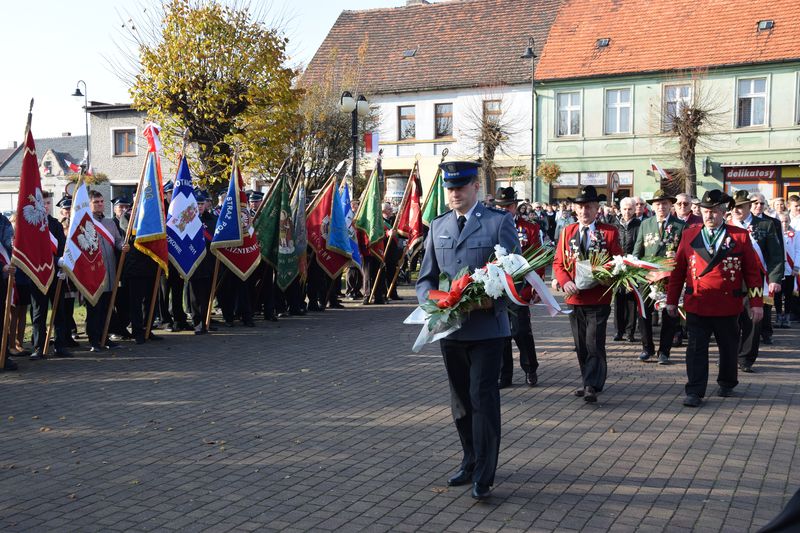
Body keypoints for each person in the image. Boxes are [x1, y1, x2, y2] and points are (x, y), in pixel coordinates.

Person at [416, 160, 518, 501]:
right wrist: (433, 303)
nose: (454, 193)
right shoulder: (438, 225)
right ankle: (470, 459)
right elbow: (426, 279)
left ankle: (486, 474)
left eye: (460, 187)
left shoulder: (498, 222)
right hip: (451, 330)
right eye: (449, 188)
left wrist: (491, 298)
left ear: (476, 187)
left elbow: (514, 274)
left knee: (482, 397)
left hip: (488, 330)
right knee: (460, 401)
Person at [666, 190, 764, 407]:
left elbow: (752, 273)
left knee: (728, 347)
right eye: (705, 211)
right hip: (698, 302)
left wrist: (757, 303)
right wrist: (671, 300)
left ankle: (727, 382)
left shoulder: (739, 236)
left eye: (714, 211)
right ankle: (694, 390)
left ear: (723, 212)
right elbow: (678, 271)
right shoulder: (690, 234)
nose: (709, 216)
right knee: (695, 348)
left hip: (727, 304)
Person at [553, 185, 623, 403]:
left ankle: (593, 384)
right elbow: (558, 262)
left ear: (596, 209)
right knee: (581, 343)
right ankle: (587, 380)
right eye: (581, 207)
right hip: (575, 297)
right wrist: (564, 281)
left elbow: (618, 262)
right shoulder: (567, 231)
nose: (584, 211)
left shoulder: (608, 232)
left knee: (594, 342)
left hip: (598, 297)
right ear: (575, 209)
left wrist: (605, 275)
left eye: (589, 207)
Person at [729, 190, 783, 372]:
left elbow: (776, 255)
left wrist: (775, 278)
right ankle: (730, 356)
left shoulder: (765, 225)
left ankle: (746, 359)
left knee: (753, 320)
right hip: (730, 281)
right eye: (734, 207)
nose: (736, 210)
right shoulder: (726, 225)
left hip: (756, 281)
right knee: (729, 321)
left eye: (741, 207)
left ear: (749, 206)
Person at [494, 186, 542, 388]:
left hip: (520, 288)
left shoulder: (530, 228)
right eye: (500, 207)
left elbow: (539, 258)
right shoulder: (489, 226)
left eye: (508, 207)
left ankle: (530, 369)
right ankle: (504, 376)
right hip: (497, 287)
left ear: (514, 207)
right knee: (501, 333)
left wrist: (536, 288)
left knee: (521, 331)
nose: (504, 210)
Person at [632, 190, 685, 365]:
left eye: (664, 204)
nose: (661, 207)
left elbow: (684, 252)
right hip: (647, 277)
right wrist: (634, 272)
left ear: (671, 205)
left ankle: (664, 351)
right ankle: (647, 348)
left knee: (669, 314)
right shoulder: (645, 224)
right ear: (653, 206)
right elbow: (637, 251)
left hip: (670, 276)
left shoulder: (680, 225)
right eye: (657, 204)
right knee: (644, 313)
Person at [29, 191, 71, 360]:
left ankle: (60, 346)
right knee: (39, 312)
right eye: (43, 203)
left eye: (48, 203)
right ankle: (39, 347)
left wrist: (61, 265)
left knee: (58, 311)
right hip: (38, 274)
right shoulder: (31, 225)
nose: (46, 206)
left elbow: (61, 247)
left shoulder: (55, 224)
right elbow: (33, 251)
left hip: (55, 274)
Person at [85, 190, 127, 352]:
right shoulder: (84, 222)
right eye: (96, 202)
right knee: (95, 308)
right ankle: (94, 340)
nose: (100, 204)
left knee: (107, 307)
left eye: (102, 201)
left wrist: (122, 245)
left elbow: (117, 240)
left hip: (110, 271)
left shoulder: (110, 222)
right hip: (93, 273)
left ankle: (105, 337)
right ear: (89, 204)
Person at [750, 192, 784, 344]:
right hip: (749, 271)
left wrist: (778, 273)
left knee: (766, 302)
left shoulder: (773, 223)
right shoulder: (739, 222)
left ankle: (766, 331)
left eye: (761, 203)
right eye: (755, 203)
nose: (758, 206)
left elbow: (778, 248)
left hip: (766, 269)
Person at [187, 190, 217, 334]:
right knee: (195, 295)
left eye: (201, 203)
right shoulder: (187, 219)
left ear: (206, 204)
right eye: (196, 203)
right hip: (194, 262)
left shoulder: (212, 220)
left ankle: (206, 321)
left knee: (207, 294)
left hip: (209, 262)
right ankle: (197, 321)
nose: (199, 206)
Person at [613, 197, 640, 342]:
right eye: (624, 209)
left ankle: (630, 331)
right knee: (618, 299)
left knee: (631, 299)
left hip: (633, 266)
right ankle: (619, 330)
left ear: (635, 209)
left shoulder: (639, 225)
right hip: (617, 266)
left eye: (630, 209)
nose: (627, 212)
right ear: (620, 209)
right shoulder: (614, 225)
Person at [775, 212, 799, 328]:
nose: (784, 223)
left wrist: (796, 267)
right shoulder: (774, 234)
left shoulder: (796, 234)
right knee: (777, 294)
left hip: (790, 269)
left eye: (786, 221)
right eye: (781, 221)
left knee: (788, 294)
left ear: (789, 221)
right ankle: (779, 316)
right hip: (778, 270)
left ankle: (787, 316)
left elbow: (799, 251)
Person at [0, 211, 16, 371]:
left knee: (1, 318)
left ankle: (3, 355)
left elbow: (10, 245)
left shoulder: (2, 220)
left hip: (2, 278)